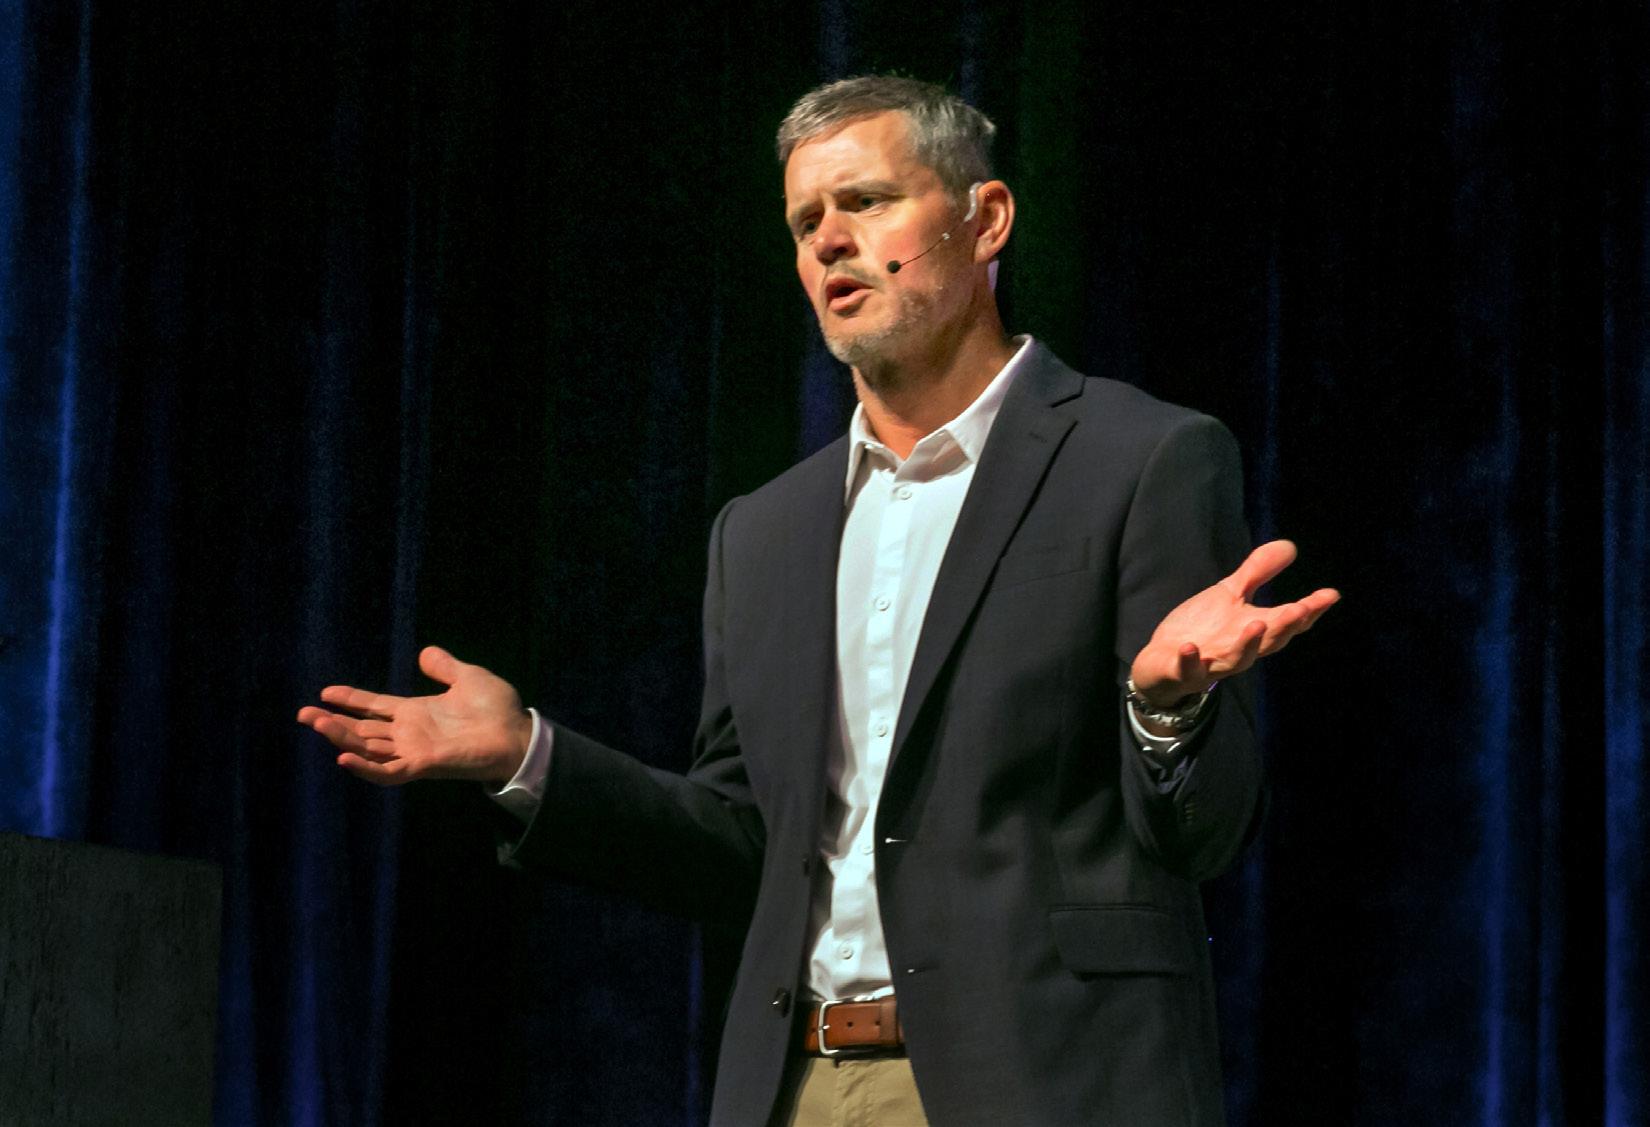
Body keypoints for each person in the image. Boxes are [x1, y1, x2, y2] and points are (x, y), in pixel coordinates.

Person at [298, 76, 1338, 1126]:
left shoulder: (1141, 458)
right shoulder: (763, 532)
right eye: (806, 222)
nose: (831, 240)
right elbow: (741, 844)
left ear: (986, 220)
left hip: (1048, 1080)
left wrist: (1165, 707)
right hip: (801, 1083)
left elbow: (1203, 837)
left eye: (868, 201)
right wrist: (528, 755)